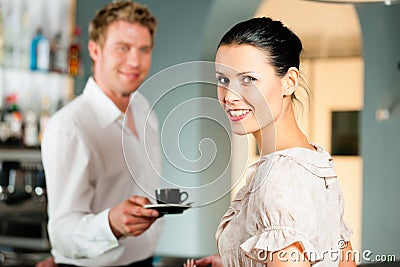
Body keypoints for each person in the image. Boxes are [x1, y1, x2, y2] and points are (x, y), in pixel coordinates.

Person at [184, 17, 356, 267]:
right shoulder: (315, 161)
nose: (230, 96)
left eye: (248, 80)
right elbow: (342, 258)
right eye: (223, 80)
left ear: (290, 81)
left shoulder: (279, 180)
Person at [38, 1, 163, 266]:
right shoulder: (69, 128)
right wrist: (111, 224)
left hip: (144, 260)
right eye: (123, 48)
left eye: (144, 49)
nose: (135, 61)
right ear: (95, 50)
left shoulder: (144, 109)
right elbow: (61, 233)